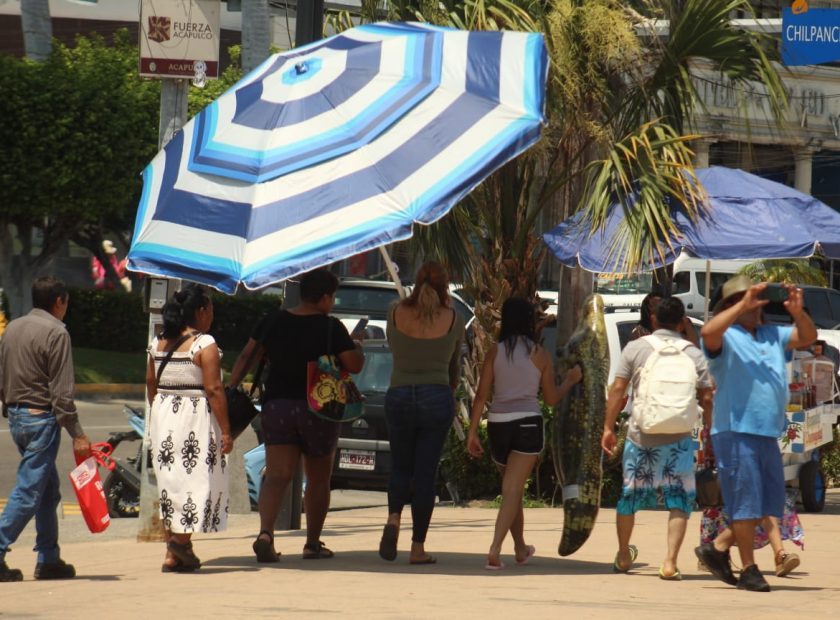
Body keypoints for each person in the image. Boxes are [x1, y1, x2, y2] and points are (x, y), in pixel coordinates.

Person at [229, 269, 364, 562]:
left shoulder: (272, 320)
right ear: (325, 297)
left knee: (277, 475)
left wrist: (232, 386)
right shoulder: (331, 327)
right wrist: (357, 347)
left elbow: (247, 355)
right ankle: (312, 543)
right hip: (318, 408)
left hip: (278, 405)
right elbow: (353, 365)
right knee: (318, 478)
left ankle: (266, 534)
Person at [695, 275, 816, 592]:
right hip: (736, 430)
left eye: (756, 299)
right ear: (732, 305)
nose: (755, 305)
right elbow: (707, 333)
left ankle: (718, 547)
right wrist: (739, 308)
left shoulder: (772, 334)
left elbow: (808, 336)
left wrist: (798, 312)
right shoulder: (727, 336)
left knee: (767, 503)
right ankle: (749, 569)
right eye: (746, 299)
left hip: (767, 432)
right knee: (746, 504)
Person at [601, 297, 713, 581]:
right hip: (679, 439)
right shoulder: (693, 353)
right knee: (679, 500)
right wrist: (710, 429)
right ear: (682, 323)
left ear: (653, 319)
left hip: (641, 437)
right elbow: (707, 396)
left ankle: (624, 555)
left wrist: (608, 427)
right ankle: (670, 562)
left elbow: (618, 389)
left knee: (629, 497)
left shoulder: (637, 348)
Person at [467, 297, 582, 570]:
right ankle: (495, 549)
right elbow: (551, 399)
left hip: (498, 424)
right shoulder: (539, 353)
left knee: (512, 490)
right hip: (528, 423)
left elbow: (481, 396)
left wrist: (472, 433)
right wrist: (570, 380)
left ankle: (520, 548)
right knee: (513, 490)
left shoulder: (495, 351)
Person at [0, 276, 91, 582]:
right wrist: (78, 434)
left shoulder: (13, 328)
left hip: (17, 416)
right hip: (41, 420)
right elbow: (62, 395)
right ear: (59, 302)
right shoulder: (57, 332)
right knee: (29, 492)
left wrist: (9, 406)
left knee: (48, 491)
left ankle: (49, 558)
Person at [378, 261, 464, 565]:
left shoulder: (395, 313)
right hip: (436, 394)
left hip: (399, 393)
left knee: (400, 467)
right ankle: (417, 548)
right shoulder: (453, 318)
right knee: (425, 474)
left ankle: (393, 518)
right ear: (444, 286)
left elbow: (394, 349)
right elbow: (454, 365)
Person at [146, 284, 232, 573]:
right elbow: (214, 389)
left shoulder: (158, 343)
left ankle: (173, 554)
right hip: (195, 420)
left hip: (164, 417)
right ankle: (179, 544)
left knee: (171, 485)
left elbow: (151, 384)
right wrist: (226, 431)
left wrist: (161, 413)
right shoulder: (204, 343)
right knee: (197, 483)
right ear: (201, 311)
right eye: (211, 310)